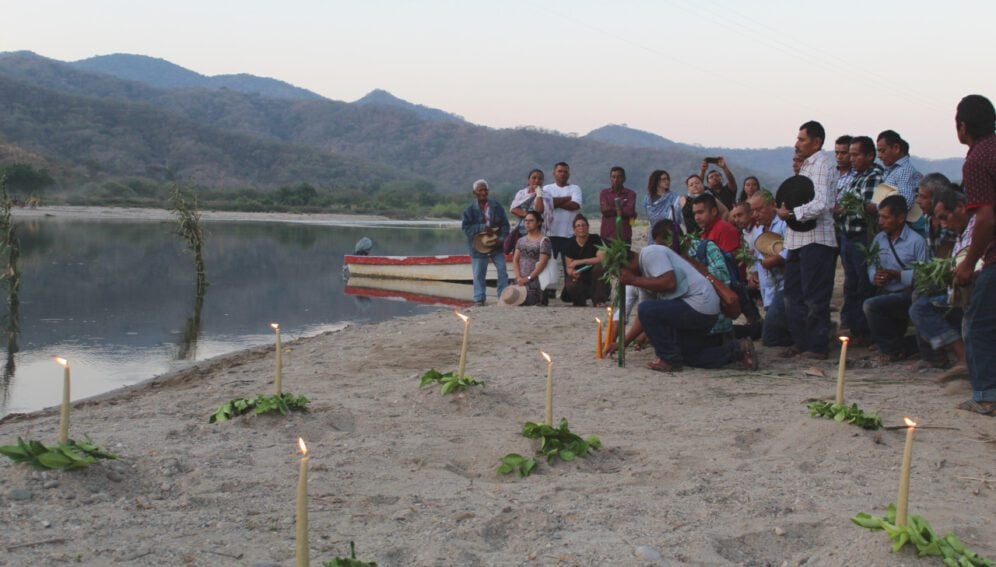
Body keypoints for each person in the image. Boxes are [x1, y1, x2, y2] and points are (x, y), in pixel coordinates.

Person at [610, 220, 756, 372]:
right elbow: (644, 316)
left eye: (619, 274)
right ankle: (738, 349)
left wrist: (633, 280)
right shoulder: (644, 276)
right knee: (691, 356)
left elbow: (669, 283)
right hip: (702, 311)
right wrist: (624, 343)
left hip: (700, 305)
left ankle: (668, 360)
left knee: (646, 309)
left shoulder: (650, 253)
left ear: (625, 265)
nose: (621, 279)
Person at [776, 121, 839, 359]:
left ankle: (817, 345)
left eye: (802, 139)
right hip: (797, 240)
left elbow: (822, 203)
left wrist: (792, 214)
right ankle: (802, 341)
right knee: (793, 295)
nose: (797, 143)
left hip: (817, 239)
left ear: (816, 142)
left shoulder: (822, 164)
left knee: (814, 296)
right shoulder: (806, 167)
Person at [953, 94, 996, 415]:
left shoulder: (977, 159)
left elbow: (986, 218)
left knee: (977, 324)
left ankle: (985, 395)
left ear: (963, 126)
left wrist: (969, 263)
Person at [909, 187, 972, 375]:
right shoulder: (937, 223)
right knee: (919, 301)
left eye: (923, 197)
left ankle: (963, 358)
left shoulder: (974, 228)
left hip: (969, 287)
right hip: (956, 287)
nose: (918, 201)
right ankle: (938, 355)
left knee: (921, 306)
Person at [863, 195, 930, 363]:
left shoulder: (917, 241)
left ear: (900, 218)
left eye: (885, 217)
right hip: (885, 291)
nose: (880, 221)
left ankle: (891, 350)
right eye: (880, 217)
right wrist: (875, 277)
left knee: (871, 306)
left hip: (907, 293)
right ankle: (899, 346)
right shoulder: (879, 239)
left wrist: (898, 275)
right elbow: (871, 265)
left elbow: (925, 275)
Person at [834, 135, 883, 343]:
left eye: (856, 155)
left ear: (869, 156)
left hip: (862, 236)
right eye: (850, 154)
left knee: (864, 283)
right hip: (847, 235)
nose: (851, 159)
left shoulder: (874, 175)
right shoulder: (855, 175)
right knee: (851, 283)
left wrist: (846, 209)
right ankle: (854, 327)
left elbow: (869, 207)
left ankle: (865, 331)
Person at [748, 191, 792, 346]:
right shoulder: (757, 231)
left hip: (786, 285)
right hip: (769, 289)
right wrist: (754, 273)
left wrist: (776, 259)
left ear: (773, 205)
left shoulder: (785, 223)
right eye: (753, 211)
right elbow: (755, 257)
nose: (755, 214)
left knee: (770, 337)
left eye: (759, 209)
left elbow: (793, 249)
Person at [461, 179, 509, 306]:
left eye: (485, 190)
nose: (483, 192)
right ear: (474, 193)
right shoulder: (469, 209)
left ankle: (503, 297)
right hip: (478, 245)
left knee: (502, 270)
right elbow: (466, 228)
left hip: (496, 243)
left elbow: (505, 224)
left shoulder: (496, 206)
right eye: (480, 190)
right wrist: (482, 227)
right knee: (478, 273)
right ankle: (479, 298)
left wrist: (502, 239)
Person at [542, 162, 583, 301]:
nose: (562, 174)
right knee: (549, 265)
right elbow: (545, 205)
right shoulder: (546, 188)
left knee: (569, 266)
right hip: (550, 234)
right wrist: (566, 199)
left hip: (569, 235)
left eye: (565, 171)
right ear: (554, 173)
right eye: (559, 171)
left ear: (569, 174)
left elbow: (575, 205)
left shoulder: (575, 188)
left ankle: (569, 292)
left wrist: (553, 202)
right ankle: (549, 292)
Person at [878, 130, 925, 237]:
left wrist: (883, 211)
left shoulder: (904, 171)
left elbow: (905, 202)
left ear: (896, 148)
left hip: (904, 230)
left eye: (882, 151)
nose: (879, 156)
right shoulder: (892, 171)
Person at [563, 214, 609, 307]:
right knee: (571, 284)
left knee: (600, 267)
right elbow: (569, 267)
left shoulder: (595, 239)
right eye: (578, 226)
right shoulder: (569, 243)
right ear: (574, 229)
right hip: (579, 275)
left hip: (593, 273)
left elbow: (601, 258)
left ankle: (599, 301)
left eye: (584, 225)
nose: (581, 228)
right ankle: (579, 302)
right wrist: (572, 272)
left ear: (588, 227)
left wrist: (580, 261)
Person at [512, 211, 552, 306]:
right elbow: (515, 260)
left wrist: (529, 278)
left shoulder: (544, 241)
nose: (527, 223)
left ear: (538, 223)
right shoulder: (521, 240)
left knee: (528, 299)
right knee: (511, 297)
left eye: (531, 221)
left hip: (536, 279)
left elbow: (543, 263)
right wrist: (518, 277)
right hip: (520, 278)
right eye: (526, 221)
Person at [915, 173, 956, 256]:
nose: (918, 201)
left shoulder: (952, 223)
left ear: (939, 198)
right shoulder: (927, 219)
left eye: (923, 197)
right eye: (918, 196)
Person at [598, 166, 638, 244]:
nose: (616, 180)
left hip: (624, 236)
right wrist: (620, 209)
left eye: (619, 177)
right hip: (607, 235)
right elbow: (604, 210)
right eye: (613, 177)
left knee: (624, 256)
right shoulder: (604, 193)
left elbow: (629, 211)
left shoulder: (630, 194)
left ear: (624, 179)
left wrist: (611, 209)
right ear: (610, 178)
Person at [509, 169, 550, 236]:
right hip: (520, 230)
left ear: (543, 181)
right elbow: (513, 209)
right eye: (534, 178)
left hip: (538, 232)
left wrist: (539, 193)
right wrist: (531, 217)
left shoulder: (546, 196)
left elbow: (539, 210)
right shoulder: (521, 193)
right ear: (529, 180)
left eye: (540, 179)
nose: (537, 180)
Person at [644, 169, 681, 236]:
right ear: (656, 181)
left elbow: (677, 216)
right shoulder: (648, 198)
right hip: (654, 232)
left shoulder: (674, 197)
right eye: (664, 179)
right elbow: (650, 216)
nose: (667, 181)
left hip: (670, 232)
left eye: (668, 179)